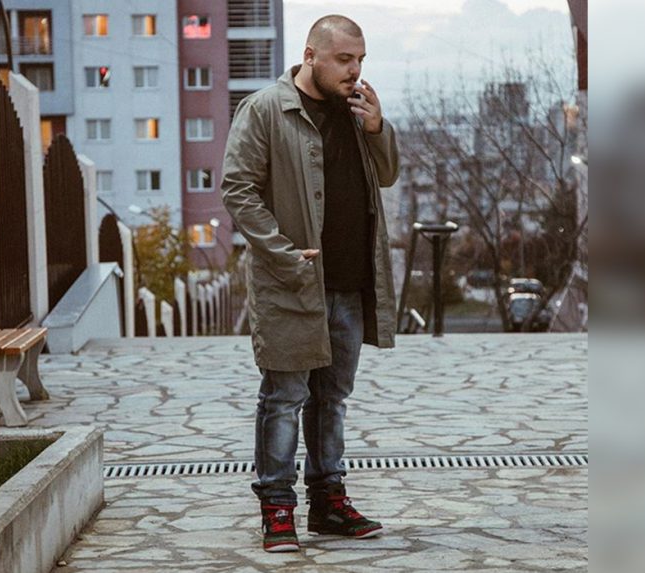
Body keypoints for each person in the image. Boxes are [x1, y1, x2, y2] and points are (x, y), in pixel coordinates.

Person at [221, 14, 400, 553]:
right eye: (344, 59)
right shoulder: (265, 109)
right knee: (284, 398)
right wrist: (281, 252)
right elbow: (237, 190)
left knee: (332, 398)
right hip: (292, 282)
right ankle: (277, 508)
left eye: (360, 59)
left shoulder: (357, 112)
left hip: (349, 281)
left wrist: (378, 129)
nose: (355, 70)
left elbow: (387, 174)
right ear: (310, 55)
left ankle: (328, 503)